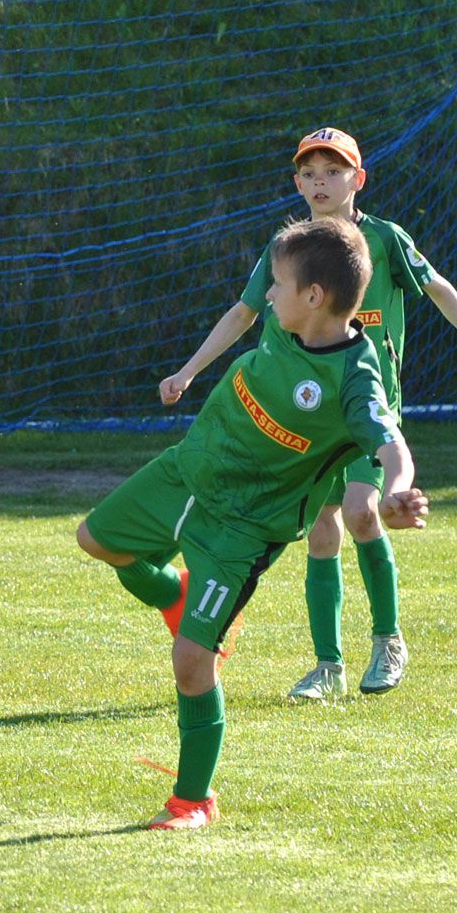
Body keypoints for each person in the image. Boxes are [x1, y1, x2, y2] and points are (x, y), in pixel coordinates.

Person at [77, 216, 428, 829]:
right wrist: (186, 373)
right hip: (189, 469)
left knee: (191, 660)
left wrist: (398, 492)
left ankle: (192, 801)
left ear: (313, 297)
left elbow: (391, 443)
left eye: (278, 284)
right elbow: (243, 316)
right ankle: (176, 593)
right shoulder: (284, 318)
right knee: (96, 540)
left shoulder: (354, 378)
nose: (267, 293)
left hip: (243, 528)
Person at [159, 127, 457, 700]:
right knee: (321, 530)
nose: (320, 181)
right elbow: (246, 312)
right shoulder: (289, 250)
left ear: (358, 179)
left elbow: (440, 288)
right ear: (297, 183)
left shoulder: (386, 239)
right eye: (309, 172)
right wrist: (189, 370)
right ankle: (328, 665)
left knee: (360, 512)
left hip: (367, 408)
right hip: (310, 422)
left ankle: (388, 639)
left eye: (333, 170)